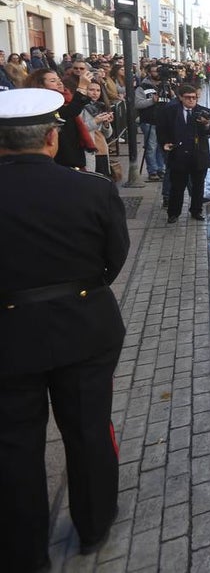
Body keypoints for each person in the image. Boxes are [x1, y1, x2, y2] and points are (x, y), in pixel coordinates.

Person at [0, 88, 129, 571]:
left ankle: (24, 552)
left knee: (14, 445)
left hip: (8, 336)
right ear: (52, 139)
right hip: (84, 326)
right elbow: (114, 258)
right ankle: (94, 526)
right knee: (89, 429)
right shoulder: (92, 190)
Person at [156, 85, 210, 223]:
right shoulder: (170, 111)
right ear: (180, 98)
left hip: (199, 156)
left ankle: (196, 211)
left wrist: (207, 124)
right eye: (188, 98)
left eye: (194, 98)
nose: (191, 100)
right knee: (177, 186)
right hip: (178, 155)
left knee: (198, 186)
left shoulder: (204, 111)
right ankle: (173, 213)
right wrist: (165, 143)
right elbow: (161, 130)